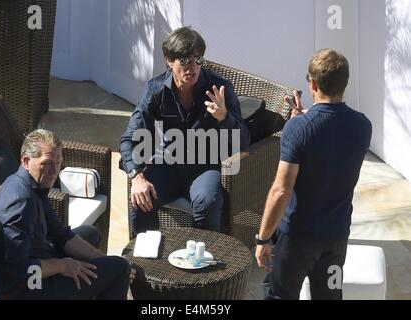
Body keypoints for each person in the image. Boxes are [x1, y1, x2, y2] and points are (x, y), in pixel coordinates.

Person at [255, 49, 372, 300]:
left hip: (296, 239)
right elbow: (331, 135)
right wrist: (303, 119)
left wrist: (262, 238)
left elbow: (281, 191)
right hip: (336, 238)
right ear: (345, 82)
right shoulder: (363, 126)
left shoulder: (297, 129)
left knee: (279, 295)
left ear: (313, 83)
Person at [120, 26, 249, 235]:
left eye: (198, 60)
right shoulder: (155, 90)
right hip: (168, 163)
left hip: (205, 166)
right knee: (140, 200)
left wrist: (225, 118)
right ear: (169, 60)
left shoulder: (220, 88)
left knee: (207, 202)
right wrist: (136, 176)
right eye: (185, 61)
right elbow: (129, 139)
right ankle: (144, 263)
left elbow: (243, 142)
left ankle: (205, 261)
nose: (193, 67)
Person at [0, 129, 135, 299]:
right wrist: (62, 266)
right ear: (26, 161)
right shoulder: (20, 202)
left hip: (38, 260)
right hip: (24, 288)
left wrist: (103, 261)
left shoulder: (32, 184)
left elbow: (60, 234)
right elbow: (20, 270)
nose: (54, 170)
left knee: (90, 233)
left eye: (58, 162)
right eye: (47, 163)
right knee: (121, 268)